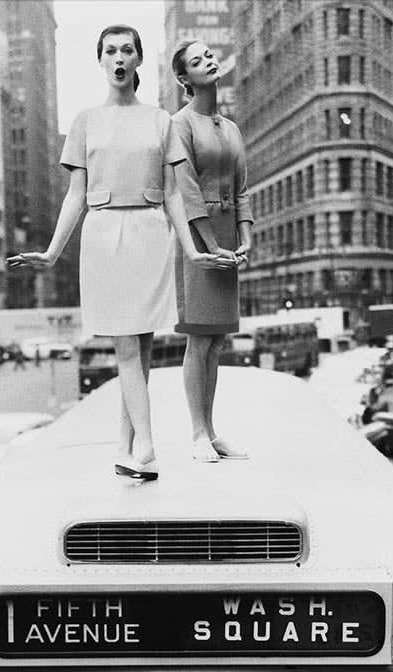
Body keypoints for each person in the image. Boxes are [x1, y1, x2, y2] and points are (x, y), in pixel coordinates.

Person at [8, 24, 233, 481]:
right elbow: (76, 193)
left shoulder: (159, 120)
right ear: (100, 60)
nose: (118, 57)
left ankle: (127, 446)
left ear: (137, 61)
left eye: (126, 50)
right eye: (109, 50)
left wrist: (190, 249)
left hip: (150, 232)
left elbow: (173, 194)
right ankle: (146, 447)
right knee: (126, 347)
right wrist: (52, 253)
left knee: (143, 348)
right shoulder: (85, 120)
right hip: (104, 233)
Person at [171, 39, 253, 462]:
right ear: (185, 79)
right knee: (199, 338)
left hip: (226, 235)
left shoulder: (232, 127)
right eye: (197, 60)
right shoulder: (180, 124)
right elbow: (185, 191)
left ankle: (213, 430)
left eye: (210, 55)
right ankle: (197, 433)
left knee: (217, 339)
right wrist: (211, 244)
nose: (209, 61)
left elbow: (241, 188)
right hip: (196, 237)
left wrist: (245, 236)